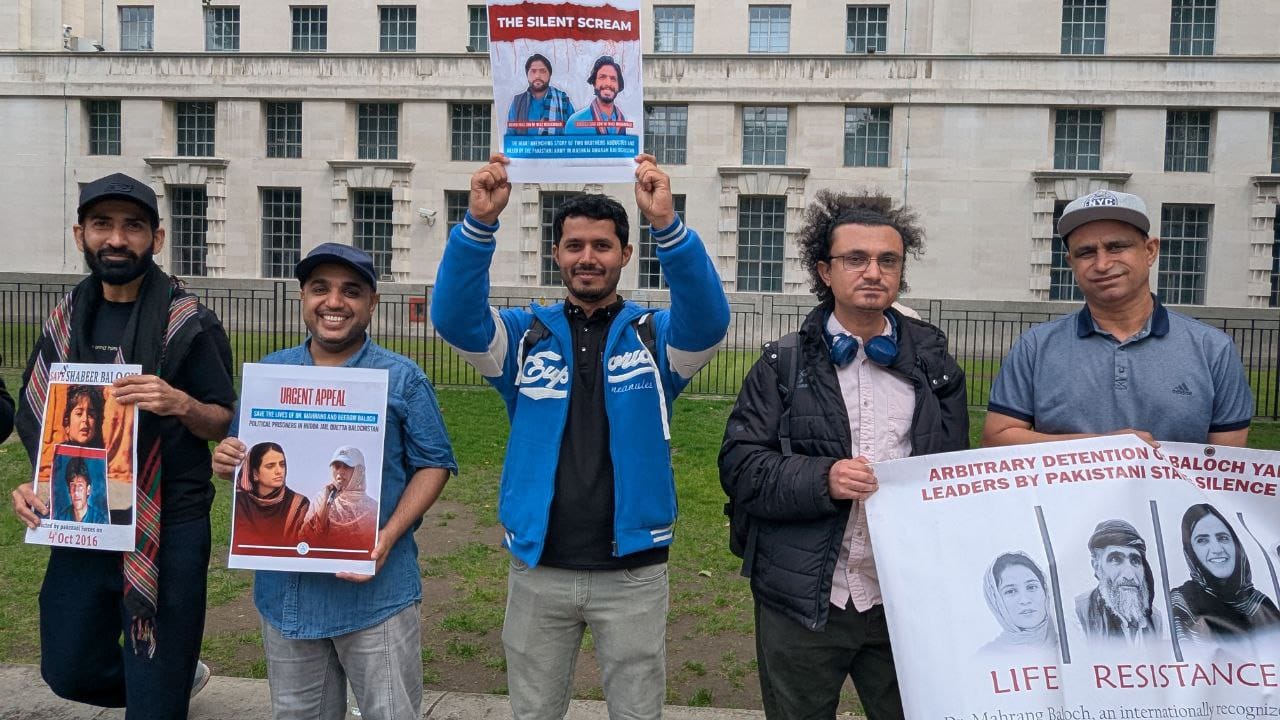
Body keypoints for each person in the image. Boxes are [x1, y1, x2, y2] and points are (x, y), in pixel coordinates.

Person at [431, 153, 729, 719]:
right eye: (574, 246)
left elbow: (709, 320)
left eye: (601, 246)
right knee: (534, 712)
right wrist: (479, 224)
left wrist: (667, 225)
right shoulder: (525, 336)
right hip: (539, 566)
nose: (587, 257)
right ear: (556, 254)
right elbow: (454, 318)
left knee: (637, 714)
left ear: (625, 254)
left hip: (634, 569)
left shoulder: (654, 336)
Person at [718, 190, 968, 720]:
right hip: (804, 596)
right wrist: (823, 479)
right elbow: (740, 468)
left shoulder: (936, 368)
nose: (873, 272)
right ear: (825, 272)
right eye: (855, 258)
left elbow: (952, 475)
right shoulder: (781, 364)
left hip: (903, 599)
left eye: (888, 260)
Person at [10, 172, 236, 717]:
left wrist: (179, 403)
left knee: (155, 699)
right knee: (68, 668)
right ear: (80, 234)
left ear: (156, 239)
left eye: (133, 226)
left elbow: (223, 420)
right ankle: (171, 681)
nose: (116, 239)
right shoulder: (64, 320)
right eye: (102, 224)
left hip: (167, 525)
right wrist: (35, 484)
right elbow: (40, 417)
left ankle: (163, 686)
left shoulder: (190, 323)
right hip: (82, 517)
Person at [212, 243, 456, 720]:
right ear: (303, 296)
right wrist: (228, 460)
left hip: (376, 596)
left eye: (351, 291)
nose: (334, 302)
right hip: (287, 596)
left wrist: (387, 537)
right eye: (320, 288)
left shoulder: (401, 379)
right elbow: (246, 460)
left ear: (372, 302)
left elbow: (435, 464)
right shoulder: (272, 374)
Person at [983, 189, 1253, 448]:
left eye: (1117, 247)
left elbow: (1227, 465)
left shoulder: (1212, 349)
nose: (1102, 264)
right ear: (1071, 263)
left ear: (1150, 251)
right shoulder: (1036, 346)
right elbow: (996, 440)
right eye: (1086, 252)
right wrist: (1104, 448)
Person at [1169, 504, 1280, 645]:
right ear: (1191, 551)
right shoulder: (1183, 602)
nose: (1217, 549)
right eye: (1202, 540)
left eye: (1223, 538)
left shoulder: (1260, 604)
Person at [1074, 519, 1163, 646]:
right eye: (1115, 559)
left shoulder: (1154, 618)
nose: (1129, 575)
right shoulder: (1079, 612)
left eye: (1135, 561)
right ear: (1096, 566)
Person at [232, 441, 311, 549]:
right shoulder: (241, 501)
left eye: (282, 465)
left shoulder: (298, 504)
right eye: (270, 466)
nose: (279, 471)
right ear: (255, 474)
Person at [979, 552, 1058, 658]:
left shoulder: (1074, 638)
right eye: (1011, 591)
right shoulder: (986, 658)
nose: (1025, 600)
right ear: (996, 602)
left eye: (1031, 587)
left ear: (1045, 590)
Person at [302, 445, 379, 551]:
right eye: (337, 466)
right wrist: (326, 504)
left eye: (346, 466)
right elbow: (304, 540)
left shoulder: (374, 509)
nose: (340, 471)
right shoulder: (321, 500)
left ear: (359, 471)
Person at [507, 53, 575, 135]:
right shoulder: (518, 102)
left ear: (549, 75)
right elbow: (511, 136)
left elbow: (573, 133)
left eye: (542, 71)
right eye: (533, 71)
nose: (537, 76)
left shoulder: (563, 101)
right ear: (527, 75)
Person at [564, 55, 628, 135]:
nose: (608, 83)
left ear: (618, 86)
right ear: (594, 83)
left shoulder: (621, 120)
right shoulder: (574, 122)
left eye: (613, 79)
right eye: (602, 77)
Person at [55, 456, 109, 524]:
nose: (76, 492)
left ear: (88, 490)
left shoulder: (100, 521)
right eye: (72, 485)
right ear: (69, 490)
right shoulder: (60, 519)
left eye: (80, 486)